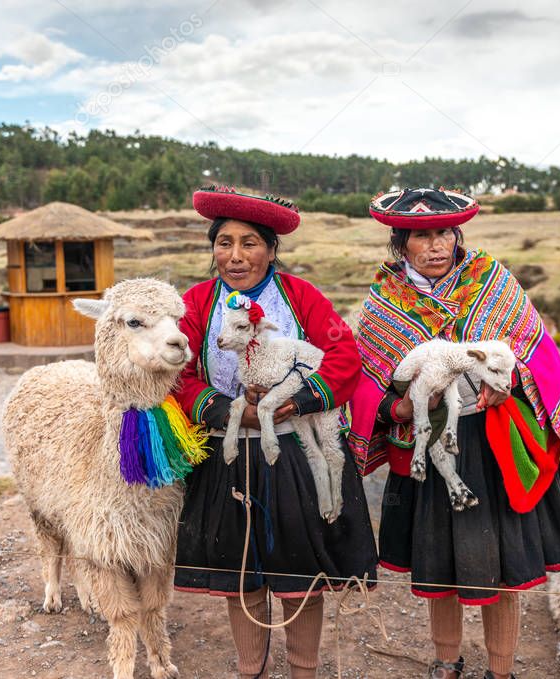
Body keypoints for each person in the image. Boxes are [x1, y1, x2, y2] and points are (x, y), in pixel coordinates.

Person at [349, 188, 560, 679]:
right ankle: (445, 663)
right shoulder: (384, 303)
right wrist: (397, 407)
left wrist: (511, 386)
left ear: (458, 235)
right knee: (438, 561)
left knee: (501, 561)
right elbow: (367, 375)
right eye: (422, 235)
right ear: (401, 244)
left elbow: (535, 351)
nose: (436, 245)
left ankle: (501, 670)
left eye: (444, 232)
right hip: (431, 440)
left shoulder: (495, 284)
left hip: (492, 445)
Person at [174, 187, 378, 679]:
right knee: (241, 572)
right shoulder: (197, 303)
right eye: (224, 243)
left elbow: (344, 357)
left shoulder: (301, 296)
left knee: (299, 573)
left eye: (249, 243)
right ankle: (251, 670)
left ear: (270, 249)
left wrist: (298, 401)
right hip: (226, 452)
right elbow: (177, 372)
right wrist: (223, 409)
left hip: (295, 452)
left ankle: (303, 670)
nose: (236, 256)